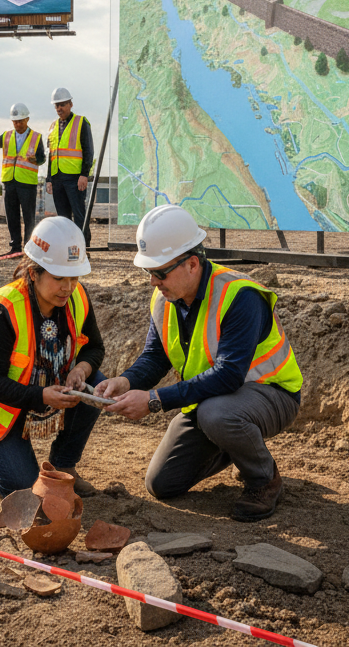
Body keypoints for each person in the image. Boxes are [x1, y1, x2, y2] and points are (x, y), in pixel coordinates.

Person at [95, 204, 302, 522]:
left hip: (270, 394)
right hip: (211, 403)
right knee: (161, 483)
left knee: (217, 415)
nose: (153, 281)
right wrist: (125, 381)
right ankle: (235, 446)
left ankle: (263, 479)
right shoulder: (165, 298)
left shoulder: (239, 296)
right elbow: (156, 357)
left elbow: (230, 376)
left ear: (192, 264)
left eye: (159, 272)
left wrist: (154, 401)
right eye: (148, 272)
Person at [0, 216, 104, 497]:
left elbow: (95, 348)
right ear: (33, 272)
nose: (69, 287)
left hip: (36, 391)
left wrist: (81, 371)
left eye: (75, 277)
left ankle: (63, 466)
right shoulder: (1, 311)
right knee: (23, 488)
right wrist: (41, 397)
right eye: (59, 278)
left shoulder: (77, 297)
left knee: (95, 386)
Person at [0, 101, 45, 257]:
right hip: (10, 182)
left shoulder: (36, 137)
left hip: (27, 183)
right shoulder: (7, 136)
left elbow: (42, 158)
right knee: (12, 216)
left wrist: (36, 159)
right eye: (15, 121)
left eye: (20, 121)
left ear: (27, 119)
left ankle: (29, 247)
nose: (17, 124)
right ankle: (15, 247)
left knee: (28, 217)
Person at [46, 86, 94, 247]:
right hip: (58, 178)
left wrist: (84, 174)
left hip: (75, 178)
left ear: (70, 104)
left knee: (79, 214)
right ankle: (68, 248)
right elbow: (51, 154)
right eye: (56, 105)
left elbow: (88, 150)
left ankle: (83, 246)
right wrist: (49, 179)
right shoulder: (52, 126)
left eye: (62, 104)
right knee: (63, 218)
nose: (59, 108)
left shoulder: (81, 122)